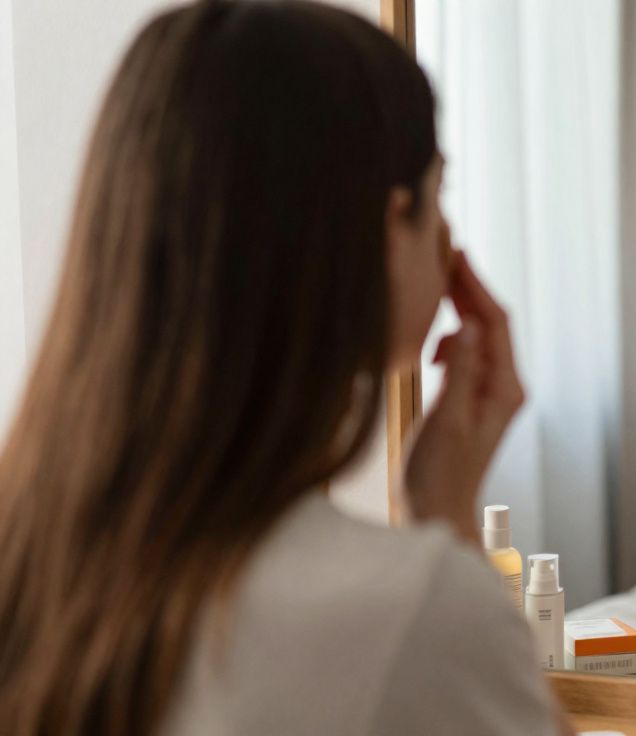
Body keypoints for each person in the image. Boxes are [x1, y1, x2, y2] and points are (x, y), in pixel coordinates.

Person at [0, 2, 567, 734]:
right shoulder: (406, 613)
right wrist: (448, 527)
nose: (451, 238)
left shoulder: (29, 560)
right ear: (385, 234)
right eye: (439, 194)